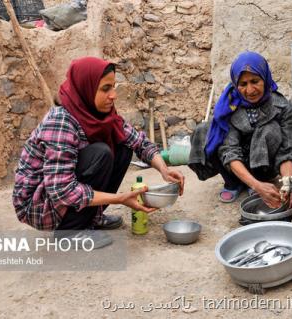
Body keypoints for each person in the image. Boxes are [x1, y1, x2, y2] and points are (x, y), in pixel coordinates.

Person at [12, 56, 184, 247]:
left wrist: (164, 169)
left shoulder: (101, 113)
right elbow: (61, 189)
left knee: (122, 147)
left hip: (58, 194)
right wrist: (120, 199)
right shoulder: (61, 122)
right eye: (105, 89)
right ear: (86, 88)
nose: (113, 95)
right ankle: (70, 231)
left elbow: (138, 142)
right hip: (39, 204)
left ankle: (91, 218)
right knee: (101, 153)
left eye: (113, 87)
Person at [189, 51, 292, 209]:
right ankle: (234, 183)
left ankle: (261, 179)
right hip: (236, 162)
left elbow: (288, 150)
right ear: (235, 84)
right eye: (243, 84)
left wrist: (287, 183)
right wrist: (256, 186)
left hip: (264, 165)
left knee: (269, 129)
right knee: (206, 130)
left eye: (255, 81)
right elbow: (229, 150)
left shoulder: (282, 106)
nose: (250, 90)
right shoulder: (229, 106)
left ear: (264, 79)